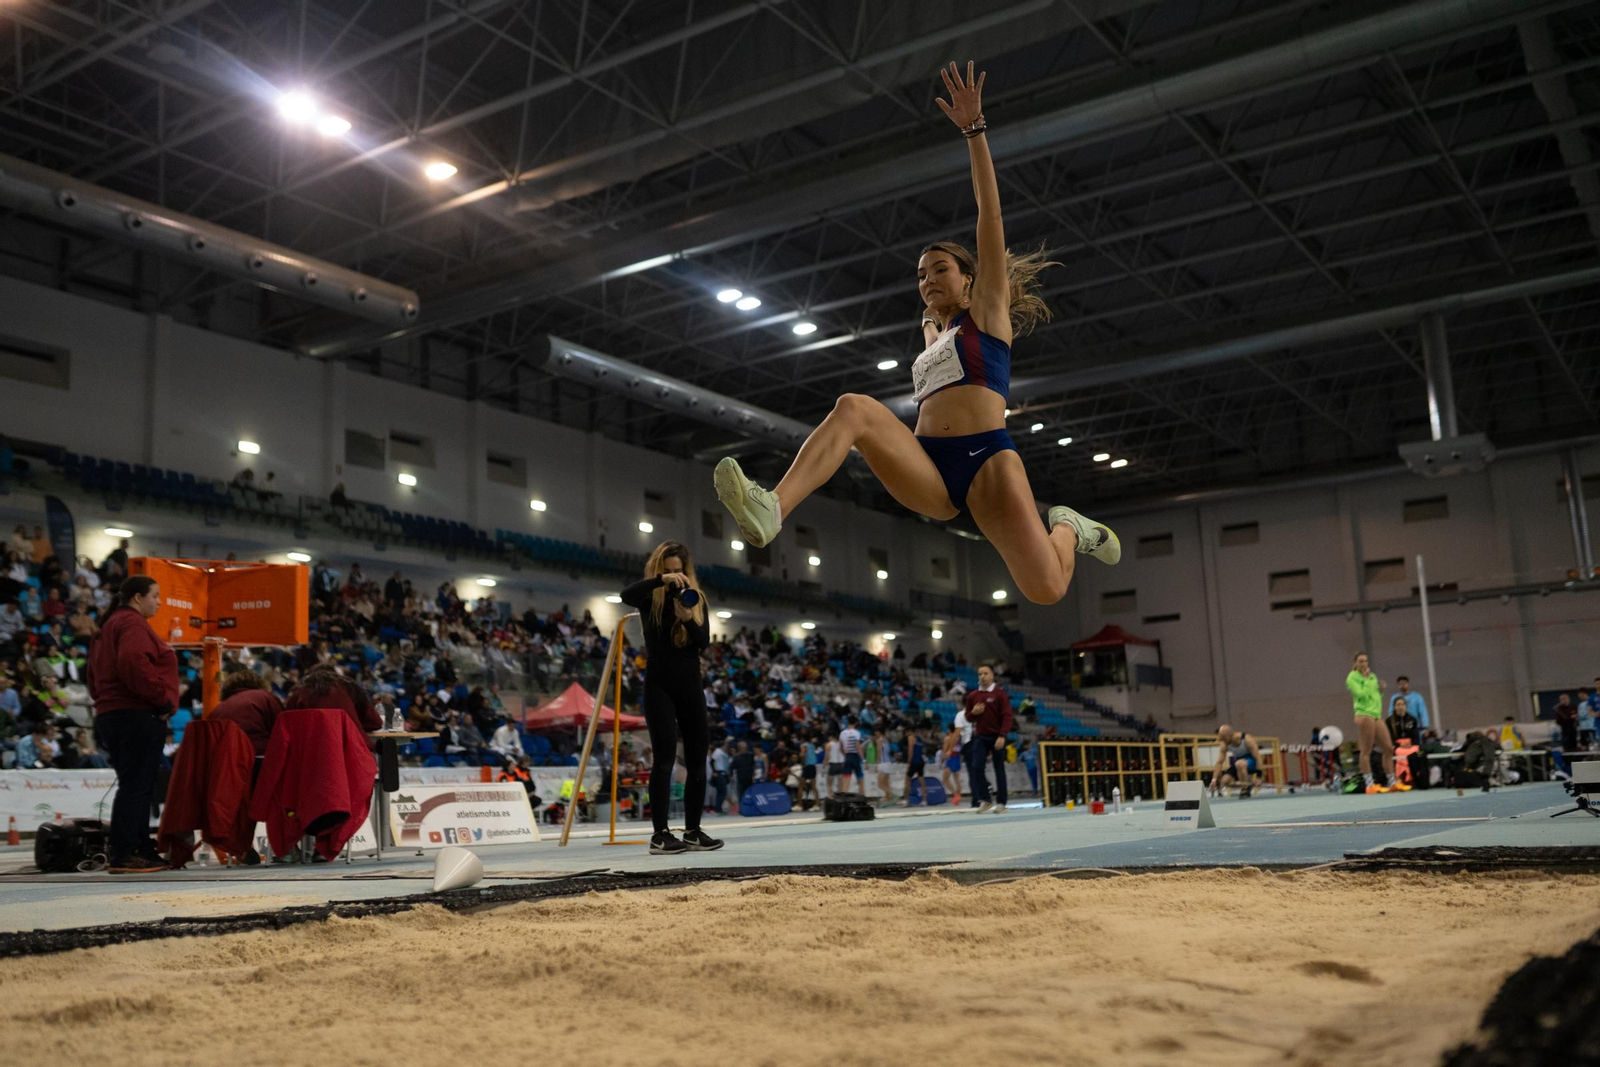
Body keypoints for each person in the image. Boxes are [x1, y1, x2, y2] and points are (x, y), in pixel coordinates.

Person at [711, 61, 1120, 607]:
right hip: (928, 463)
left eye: (939, 269)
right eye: (920, 275)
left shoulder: (989, 314)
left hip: (987, 460)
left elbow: (989, 218)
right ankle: (773, 506)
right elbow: (935, 349)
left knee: (1046, 589)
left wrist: (975, 133)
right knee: (853, 406)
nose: (927, 279)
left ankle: (1067, 526)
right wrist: (930, 324)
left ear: (970, 278)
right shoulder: (935, 340)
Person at [619, 541, 722, 854]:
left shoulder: (696, 599)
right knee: (663, 760)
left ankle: (692, 830)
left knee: (696, 760)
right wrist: (660, 582)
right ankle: (660, 834)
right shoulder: (650, 597)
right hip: (659, 684)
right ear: (660, 570)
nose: (675, 576)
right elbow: (626, 595)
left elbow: (703, 642)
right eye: (669, 570)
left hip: (690, 683)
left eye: (679, 571)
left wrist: (688, 617)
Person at [87, 575, 179, 874]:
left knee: (134, 785)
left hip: (111, 714)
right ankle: (126, 852)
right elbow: (133, 664)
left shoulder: (108, 625)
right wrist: (162, 701)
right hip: (136, 713)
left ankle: (139, 849)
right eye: (155, 595)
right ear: (138, 598)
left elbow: (92, 676)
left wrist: (105, 702)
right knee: (137, 786)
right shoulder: (132, 623)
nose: (159, 601)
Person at [1346, 652, 1407, 794]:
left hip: (1375, 714)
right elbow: (1360, 695)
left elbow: (1375, 696)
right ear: (1355, 663)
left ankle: (1392, 782)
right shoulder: (1352, 677)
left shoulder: (1372, 676)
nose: (1363, 664)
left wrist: (1381, 690)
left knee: (1388, 748)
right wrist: (1366, 679)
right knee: (1366, 750)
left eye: (1365, 661)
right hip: (1364, 714)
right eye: (1360, 661)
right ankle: (1369, 784)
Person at [965, 663, 1014, 814]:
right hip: (980, 736)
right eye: (980, 674)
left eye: (985, 673)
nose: (982, 676)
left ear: (992, 675)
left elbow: (1007, 716)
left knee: (999, 768)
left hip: (997, 736)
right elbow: (968, 717)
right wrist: (973, 712)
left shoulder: (1000, 694)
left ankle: (1001, 802)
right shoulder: (973, 696)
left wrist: (1002, 736)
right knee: (976, 767)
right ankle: (985, 800)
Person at [208, 669, 283, 757]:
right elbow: (283, 728)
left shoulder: (217, 709)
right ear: (260, 684)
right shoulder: (264, 697)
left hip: (225, 761)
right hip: (259, 757)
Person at [1211, 724, 1263, 797]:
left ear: (1229, 736)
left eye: (1224, 739)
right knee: (1224, 781)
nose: (1223, 741)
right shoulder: (1225, 744)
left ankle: (1244, 789)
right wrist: (1214, 779)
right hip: (1239, 765)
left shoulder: (1247, 739)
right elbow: (1219, 763)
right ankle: (1248, 784)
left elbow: (1258, 758)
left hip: (1252, 764)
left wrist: (1259, 777)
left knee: (1239, 763)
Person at [840, 717, 867, 796]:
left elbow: (840, 747)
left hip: (847, 756)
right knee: (860, 778)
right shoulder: (856, 732)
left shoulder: (842, 733)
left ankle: (843, 799)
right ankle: (862, 797)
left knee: (846, 779)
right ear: (856, 723)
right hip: (855, 757)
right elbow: (858, 747)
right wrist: (863, 760)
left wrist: (845, 755)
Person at [940, 723, 962, 806]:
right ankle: (957, 798)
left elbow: (944, 751)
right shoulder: (958, 738)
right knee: (957, 780)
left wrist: (943, 759)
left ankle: (955, 795)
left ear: (949, 729)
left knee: (945, 780)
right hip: (956, 758)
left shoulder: (948, 738)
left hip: (950, 759)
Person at [904, 728, 927, 806]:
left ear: (910, 731)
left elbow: (910, 750)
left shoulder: (911, 738)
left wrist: (909, 761)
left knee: (907, 780)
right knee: (921, 781)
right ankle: (924, 800)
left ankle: (906, 800)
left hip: (914, 761)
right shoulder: (919, 739)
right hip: (920, 762)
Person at [710, 738, 732, 815]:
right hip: (719, 773)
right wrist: (714, 771)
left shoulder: (723, 753)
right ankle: (718, 809)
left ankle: (719, 808)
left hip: (723, 773)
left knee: (722, 792)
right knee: (722, 791)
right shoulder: (717, 752)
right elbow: (712, 761)